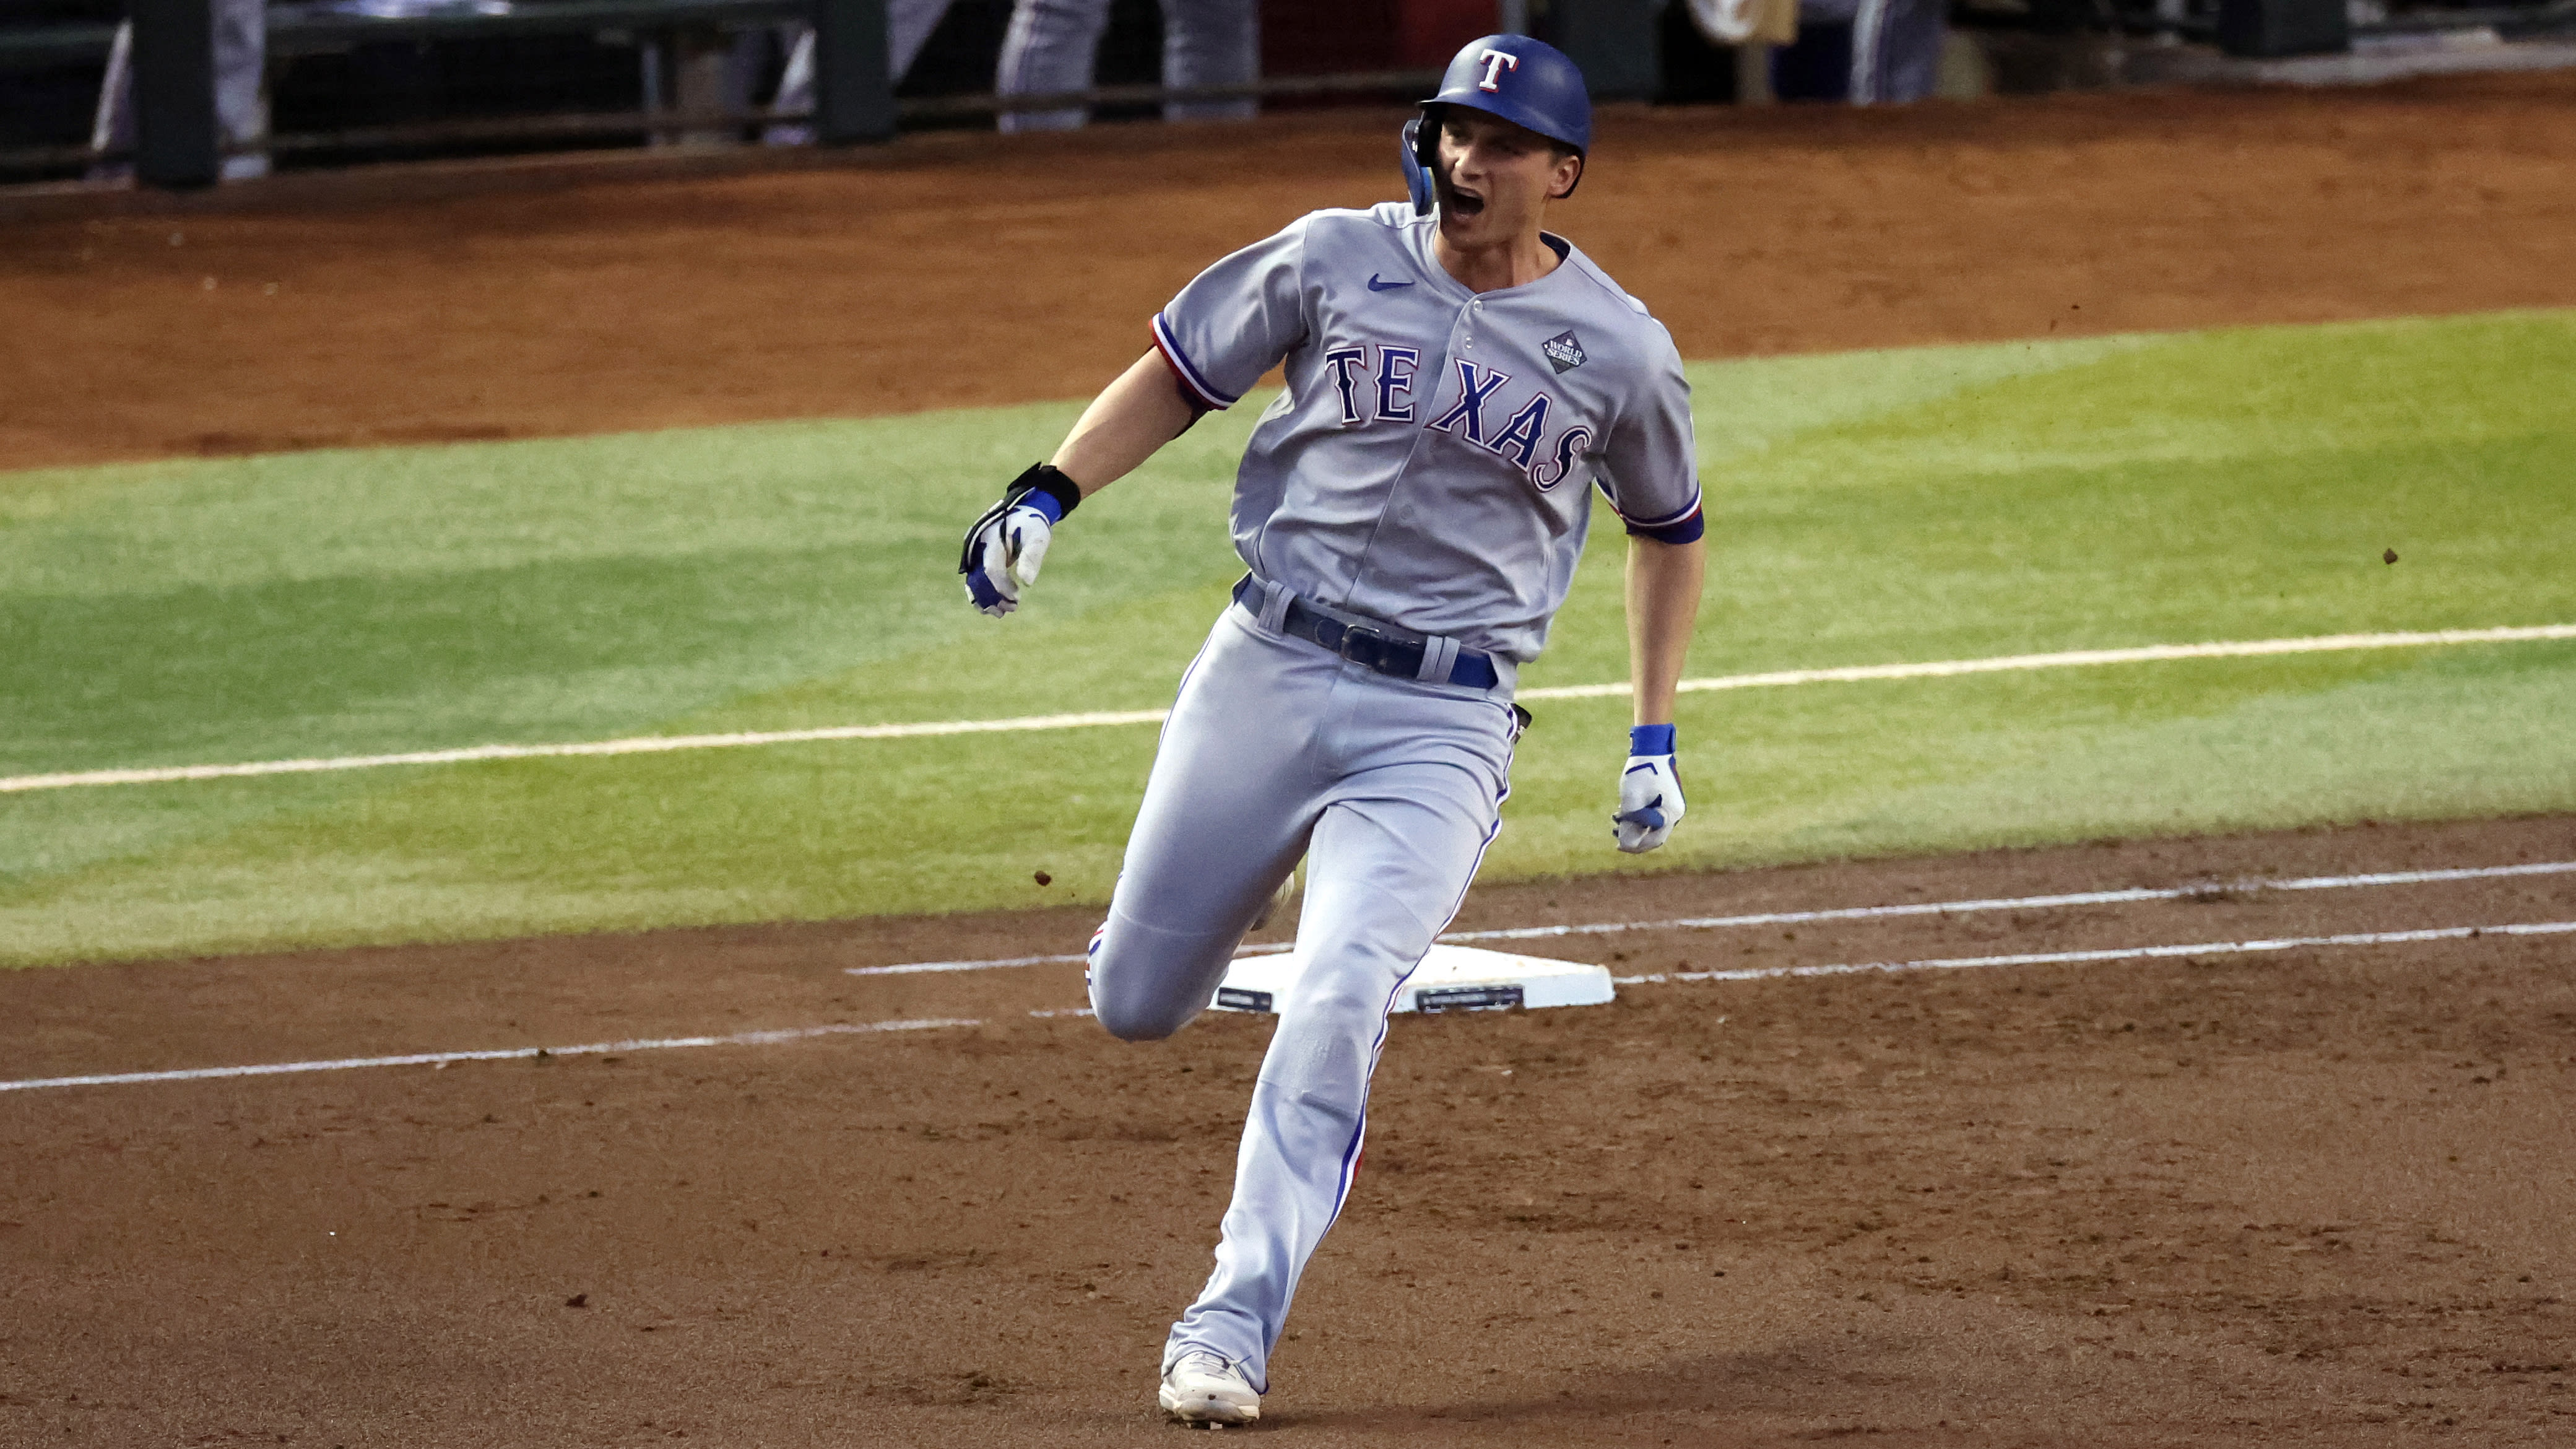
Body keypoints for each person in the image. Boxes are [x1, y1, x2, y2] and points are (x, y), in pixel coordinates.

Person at [955, 34, 1705, 1426]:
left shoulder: (1618, 348)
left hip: (1440, 722)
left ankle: (1226, 1328)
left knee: (1338, 995)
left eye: (1500, 144)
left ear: (1562, 173)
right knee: (1135, 1004)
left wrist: (1651, 735)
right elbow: (1178, 372)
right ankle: (1229, 898)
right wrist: (1045, 491)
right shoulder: (1331, 256)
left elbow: (1669, 530)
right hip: (1264, 670)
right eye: (1452, 132)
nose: (1466, 161)